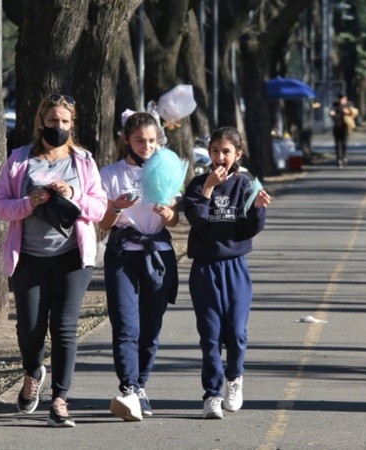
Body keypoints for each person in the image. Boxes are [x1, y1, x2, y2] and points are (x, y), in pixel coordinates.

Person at [0, 94, 107, 427]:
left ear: (73, 125)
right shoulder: (18, 160)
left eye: (65, 122)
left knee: (65, 328)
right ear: (41, 121)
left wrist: (73, 196)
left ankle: (60, 399)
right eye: (53, 120)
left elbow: (99, 208)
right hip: (28, 257)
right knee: (30, 330)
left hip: (72, 257)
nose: (59, 127)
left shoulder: (83, 161)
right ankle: (33, 372)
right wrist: (30, 201)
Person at [183, 126, 271, 419]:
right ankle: (212, 393)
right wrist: (207, 188)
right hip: (205, 268)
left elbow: (249, 229)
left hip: (235, 267)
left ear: (238, 155)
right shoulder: (197, 184)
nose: (220, 157)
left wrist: (258, 209)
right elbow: (197, 220)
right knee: (210, 334)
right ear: (208, 152)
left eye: (227, 152)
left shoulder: (246, 186)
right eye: (215, 151)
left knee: (235, 331)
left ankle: (234, 378)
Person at [99, 112, 180, 421]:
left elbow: (174, 217)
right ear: (126, 140)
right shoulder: (110, 174)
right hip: (122, 253)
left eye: (151, 141)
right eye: (139, 140)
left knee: (151, 326)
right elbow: (104, 224)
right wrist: (118, 206)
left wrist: (169, 213)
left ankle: (141, 384)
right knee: (125, 324)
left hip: (157, 253)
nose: (146, 146)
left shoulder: (166, 168)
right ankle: (128, 388)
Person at [329, 94, 356, 168]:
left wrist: (348, 112)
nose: (341, 100)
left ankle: (344, 157)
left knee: (344, 143)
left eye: (343, 99)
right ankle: (338, 159)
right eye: (340, 99)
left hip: (345, 127)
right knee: (337, 143)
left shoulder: (349, 104)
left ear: (346, 98)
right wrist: (332, 113)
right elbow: (332, 111)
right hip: (337, 126)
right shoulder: (335, 104)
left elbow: (354, 112)